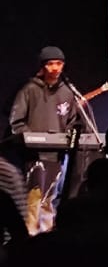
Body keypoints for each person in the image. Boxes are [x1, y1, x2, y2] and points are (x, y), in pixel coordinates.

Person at [8, 46, 84, 235]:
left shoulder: (67, 92)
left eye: (59, 63)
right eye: (50, 64)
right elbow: (16, 122)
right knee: (34, 199)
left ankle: (47, 238)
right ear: (43, 67)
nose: (55, 68)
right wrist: (32, 138)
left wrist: (67, 136)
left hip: (57, 156)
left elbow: (72, 121)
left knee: (51, 199)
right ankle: (30, 238)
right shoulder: (29, 90)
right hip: (34, 156)